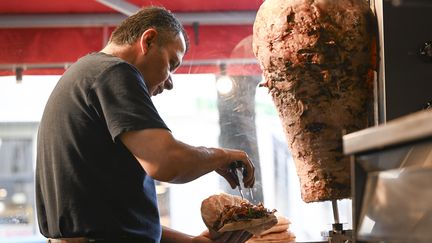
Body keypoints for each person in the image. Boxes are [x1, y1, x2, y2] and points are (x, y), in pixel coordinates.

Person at [35, 6, 255, 243]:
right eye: (171, 63)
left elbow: (114, 223)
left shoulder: (87, 74)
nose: (170, 83)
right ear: (148, 40)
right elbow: (166, 162)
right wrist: (221, 156)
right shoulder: (115, 72)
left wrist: (191, 242)